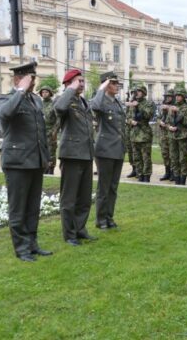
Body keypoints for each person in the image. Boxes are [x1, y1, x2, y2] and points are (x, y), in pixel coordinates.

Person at [0, 62, 52, 262]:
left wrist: (45, 157)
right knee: (18, 208)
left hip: (35, 161)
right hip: (17, 162)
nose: (34, 82)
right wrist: (19, 91)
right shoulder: (6, 98)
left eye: (34, 78)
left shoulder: (35, 101)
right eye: (30, 78)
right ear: (18, 79)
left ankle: (32, 243)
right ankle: (21, 249)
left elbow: (40, 133)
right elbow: (5, 114)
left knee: (33, 207)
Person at [55, 69, 96, 246]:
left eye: (82, 81)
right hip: (71, 154)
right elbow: (59, 108)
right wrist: (70, 90)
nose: (82, 83)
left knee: (84, 197)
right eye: (78, 81)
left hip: (86, 154)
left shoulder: (82, 101)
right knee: (69, 198)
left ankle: (80, 229)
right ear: (69, 83)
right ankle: (69, 234)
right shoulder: (64, 99)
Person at [90, 72, 125, 230]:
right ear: (105, 85)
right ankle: (100, 219)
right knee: (103, 188)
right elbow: (94, 106)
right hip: (105, 150)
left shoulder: (116, 102)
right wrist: (101, 89)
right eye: (113, 83)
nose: (117, 85)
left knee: (113, 187)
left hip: (117, 149)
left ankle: (109, 217)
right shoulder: (101, 100)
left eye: (117, 83)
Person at [129, 85, 156, 182]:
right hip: (134, 134)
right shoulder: (132, 103)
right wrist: (130, 121)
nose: (137, 93)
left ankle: (146, 176)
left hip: (144, 134)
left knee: (146, 157)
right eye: (136, 91)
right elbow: (127, 116)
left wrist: (138, 106)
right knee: (136, 157)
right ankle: (140, 175)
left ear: (144, 93)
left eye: (139, 91)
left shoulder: (148, 103)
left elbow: (148, 115)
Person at [167, 87, 187, 185]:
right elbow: (167, 121)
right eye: (176, 96)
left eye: (179, 96)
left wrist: (178, 111)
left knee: (182, 159)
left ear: (183, 97)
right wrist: (169, 127)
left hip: (183, 136)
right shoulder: (172, 107)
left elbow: (186, 121)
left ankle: (183, 179)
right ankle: (176, 178)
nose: (177, 97)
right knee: (174, 158)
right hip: (173, 136)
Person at [39, 86, 58, 175]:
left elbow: (58, 119)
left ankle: (51, 170)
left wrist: (55, 130)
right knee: (41, 151)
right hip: (41, 132)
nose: (44, 94)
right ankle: (43, 168)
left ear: (50, 93)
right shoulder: (39, 104)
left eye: (46, 92)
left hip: (50, 132)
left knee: (51, 151)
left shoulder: (54, 104)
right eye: (43, 92)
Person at [158, 89, 175, 181]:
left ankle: (173, 173)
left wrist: (167, 125)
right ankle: (167, 172)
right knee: (165, 154)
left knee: (172, 154)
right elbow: (158, 117)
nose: (167, 98)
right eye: (166, 96)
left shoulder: (174, 107)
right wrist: (160, 122)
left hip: (171, 134)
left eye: (169, 96)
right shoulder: (162, 107)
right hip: (163, 134)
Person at [124, 88, 138, 179]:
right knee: (130, 150)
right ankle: (133, 169)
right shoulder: (129, 104)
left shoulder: (138, 104)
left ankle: (138, 169)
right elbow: (126, 116)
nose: (132, 95)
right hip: (128, 129)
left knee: (136, 151)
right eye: (131, 93)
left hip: (136, 130)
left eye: (134, 93)